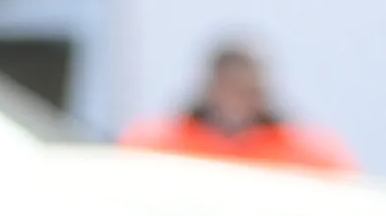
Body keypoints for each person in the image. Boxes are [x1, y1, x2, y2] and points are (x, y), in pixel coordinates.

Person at [120, 44, 357, 173]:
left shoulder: (309, 152)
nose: (238, 99)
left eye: (248, 89)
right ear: (210, 87)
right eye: (230, 86)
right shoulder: (157, 144)